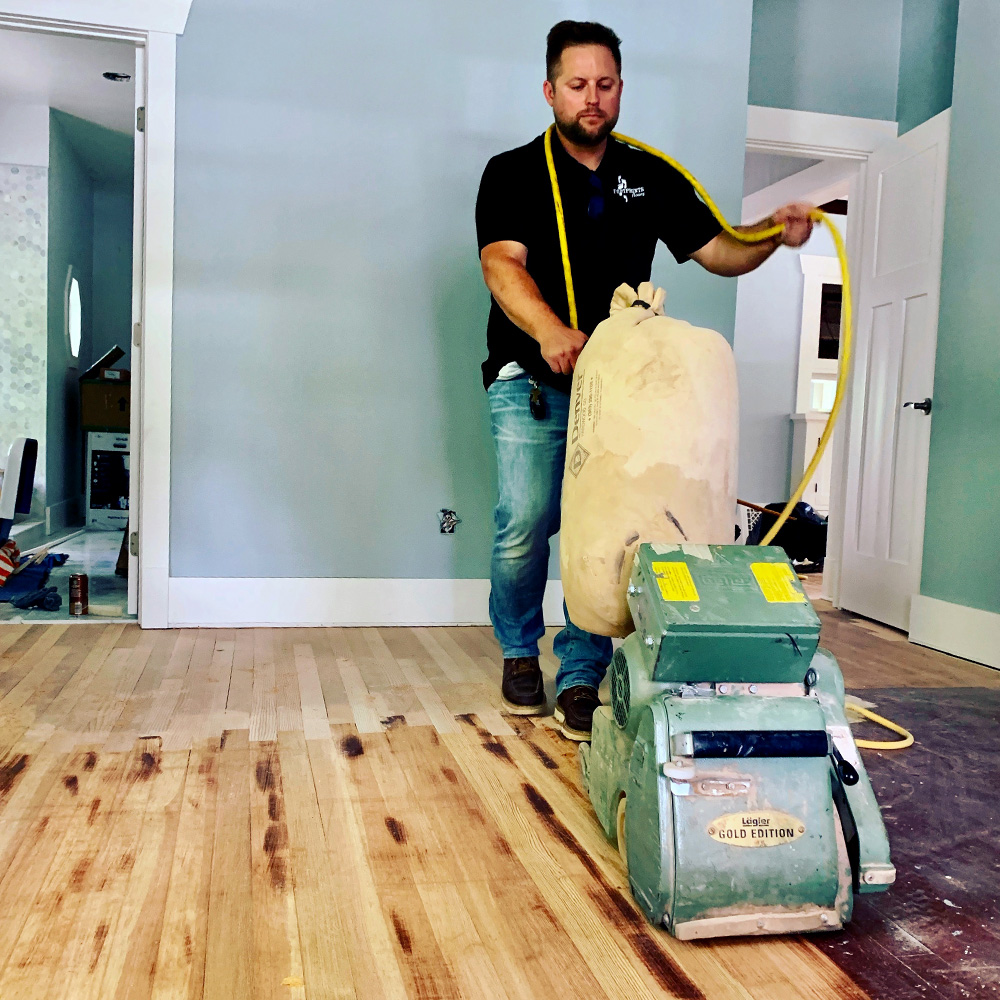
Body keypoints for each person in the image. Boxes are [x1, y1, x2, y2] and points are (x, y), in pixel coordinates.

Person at [475, 20, 814, 741]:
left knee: (609, 529)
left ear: (621, 89)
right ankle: (518, 651)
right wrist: (551, 332)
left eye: (604, 84)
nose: (591, 98)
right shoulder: (511, 172)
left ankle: (580, 673)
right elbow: (502, 263)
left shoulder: (651, 173)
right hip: (531, 378)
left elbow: (720, 249)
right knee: (524, 523)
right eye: (577, 85)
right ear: (549, 91)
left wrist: (770, 234)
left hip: (621, 390)